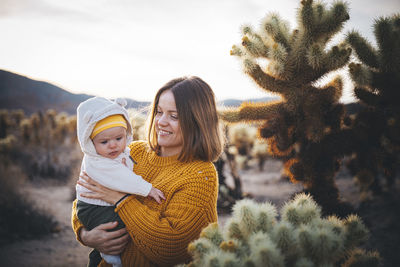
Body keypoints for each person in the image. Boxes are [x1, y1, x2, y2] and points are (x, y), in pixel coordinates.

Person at [71, 76, 224, 266]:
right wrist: (86, 235)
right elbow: (85, 196)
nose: (161, 121)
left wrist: (120, 199)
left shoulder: (200, 174)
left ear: (197, 120)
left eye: (174, 116)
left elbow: (172, 248)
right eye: (159, 112)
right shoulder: (132, 152)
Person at [75, 96, 165, 267]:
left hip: (97, 205)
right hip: (93, 208)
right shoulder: (98, 162)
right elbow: (122, 177)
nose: (113, 145)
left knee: (122, 224)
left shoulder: (124, 153)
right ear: (91, 143)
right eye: (104, 141)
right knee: (118, 226)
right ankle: (110, 258)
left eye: (119, 138)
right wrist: (148, 189)